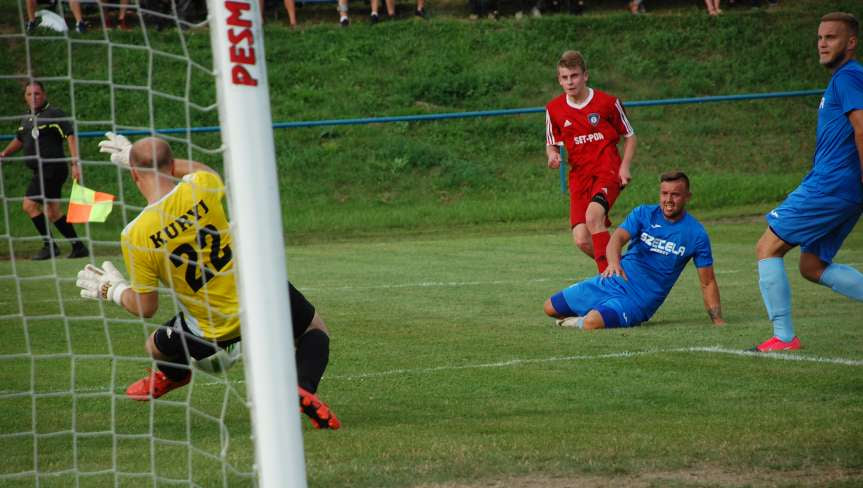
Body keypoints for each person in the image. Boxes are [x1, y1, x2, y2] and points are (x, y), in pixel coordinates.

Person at [75, 135, 340, 430]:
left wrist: (113, 290)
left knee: (154, 347)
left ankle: (173, 375)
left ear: (134, 173)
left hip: (212, 327)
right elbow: (204, 170)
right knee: (314, 330)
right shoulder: (201, 187)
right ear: (173, 165)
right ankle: (302, 387)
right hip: (263, 295)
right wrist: (135, 157)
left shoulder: (135, 234)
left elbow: (146, 307)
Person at [753, 12, 863, 352]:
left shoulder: (848, 77)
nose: (822, 43)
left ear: (851, 42)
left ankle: (784, 337)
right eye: (820, 37)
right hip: (841, 187)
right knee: (812, 265)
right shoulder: (847, 79)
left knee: (767, 247)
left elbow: (862, 128)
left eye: (831, 37)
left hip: (831, 186)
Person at [544, 171, 725, 330]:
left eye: (675, 195)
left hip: (637, 301)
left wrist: (717, 320)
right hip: (610, 282)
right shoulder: (643, 213)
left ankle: (581, 320)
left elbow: (707, 282)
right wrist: (614, 263)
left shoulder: (696, 234)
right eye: (664, 194)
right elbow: (617, 238)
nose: (668, 200)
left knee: (591, 323)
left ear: (687, 196)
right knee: (550, 307)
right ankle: (600, 312)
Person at [545, 50, 637, 273]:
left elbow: (630, 136)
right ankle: (623, 267)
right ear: (559, 79)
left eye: (574, 76)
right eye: (565, 77)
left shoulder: (607, 103)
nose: (570, 82)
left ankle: (611, 284)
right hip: (579, 177)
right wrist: (553, 155)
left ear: (585, 75)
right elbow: (552, 142)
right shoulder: (553, 109)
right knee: (581, 239)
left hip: (607, 170)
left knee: (593, 217)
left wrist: (624, 167)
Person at [0, 82, 89, 260]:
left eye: (37, 94)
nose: (34, 97)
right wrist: (4, 153)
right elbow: (19, 139)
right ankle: (79, 247)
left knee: (29, 205)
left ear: (44, 94)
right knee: (53, 211)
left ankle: (50, 246)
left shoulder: (54, 114)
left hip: (51, 167)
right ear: (25, 97)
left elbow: (70, 136)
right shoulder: (26, 118)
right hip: (40, 170)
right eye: (29, 94)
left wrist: (75, 164)